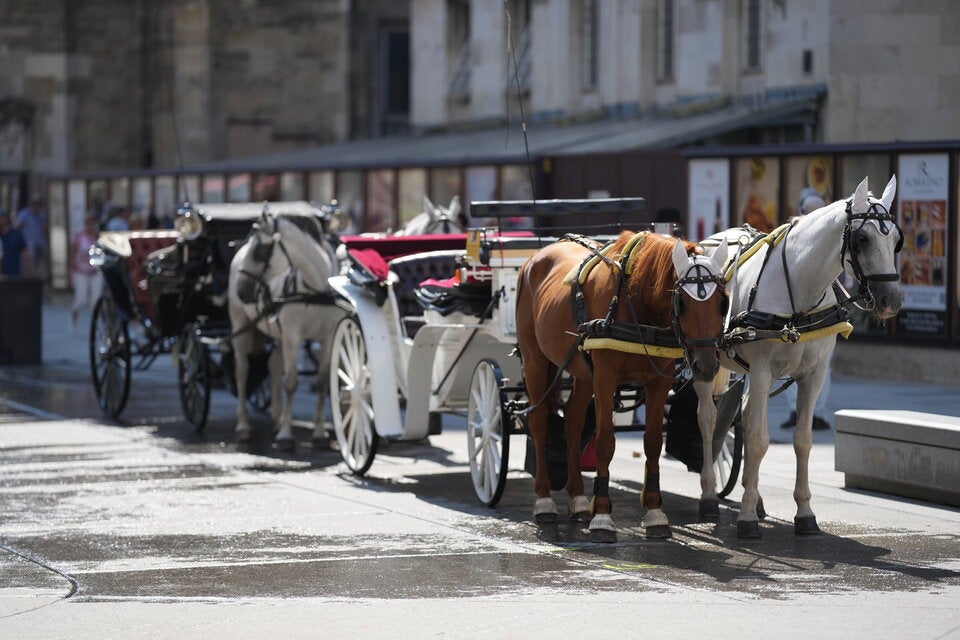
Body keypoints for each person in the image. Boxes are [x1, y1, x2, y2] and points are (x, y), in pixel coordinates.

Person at [781, 187, 831, 431]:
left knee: (822, 361)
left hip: (823, 309)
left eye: (818, 211)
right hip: (796, 309)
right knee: (792, 360)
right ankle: (795, 410)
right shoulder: (793, 237)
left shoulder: (832, 239)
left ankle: (817, 412)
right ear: (800, 212)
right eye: (809, 211)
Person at [70, 215, 103, 333]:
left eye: (93, 223)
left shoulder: (99, 237)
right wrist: (72, 270)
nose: (91, 226)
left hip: (95, 271)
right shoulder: (79, 236)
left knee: (96, 300)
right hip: (81, 270)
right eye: (88, 223)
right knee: (81, 299)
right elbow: (73, 254)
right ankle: (74, 314)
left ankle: (94, 326)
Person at [15, 196, 48, 280]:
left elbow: (44, 230)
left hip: (40, 245)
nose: (37, 208)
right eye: (35, 205)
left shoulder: (42, 214)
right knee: (29, 268)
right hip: (29, 246)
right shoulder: (24, 214)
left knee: (40, 269)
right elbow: (17, 227)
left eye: (39, 205)